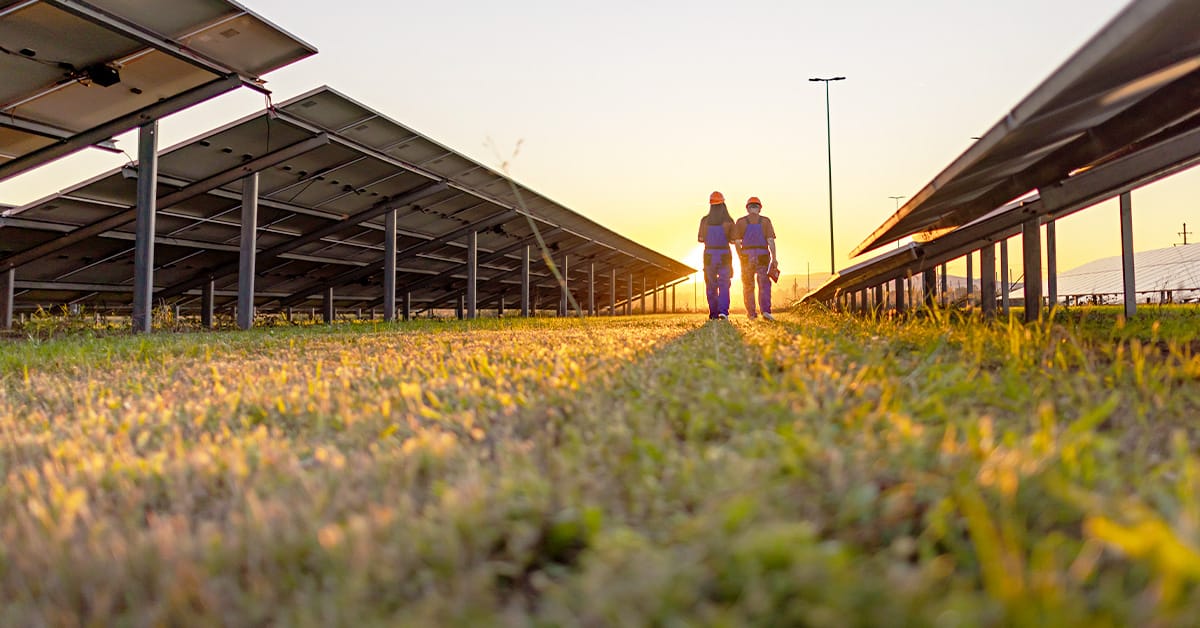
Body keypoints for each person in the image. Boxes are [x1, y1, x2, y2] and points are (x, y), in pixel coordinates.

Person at [734, 196, 777, 320]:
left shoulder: (741, 222)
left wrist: (740, 256)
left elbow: (737, 242)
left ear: (747, 208)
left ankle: (751, 314)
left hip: (746, 256)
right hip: (763, 255)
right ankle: (766, 312)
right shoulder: (766, 221)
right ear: (760, 208)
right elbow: (770, 241)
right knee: (764, 284)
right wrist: (774, 258)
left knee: (748, 285)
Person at [698, 191, 734, 320]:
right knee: (724, 283)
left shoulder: (704, 221)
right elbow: (733, 240)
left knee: (711, 284)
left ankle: (713, 313)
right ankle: (723, 311)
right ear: (723, 205)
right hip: (724, 253)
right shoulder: (729, 221)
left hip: (709, 255)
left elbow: (701, 239)